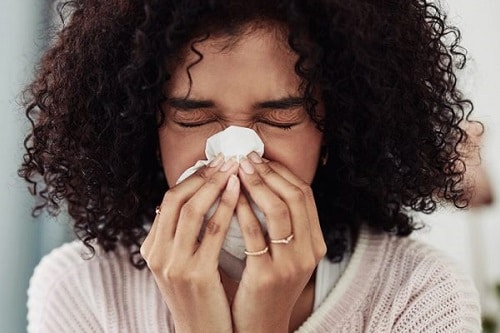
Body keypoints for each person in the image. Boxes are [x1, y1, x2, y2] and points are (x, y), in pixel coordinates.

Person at [21, 0, 483, 332]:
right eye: (193, 118)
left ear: (333, 133)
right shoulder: (82, 289)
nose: (237, 154)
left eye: (279, 118)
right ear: (147, 130)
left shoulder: (419, 294)